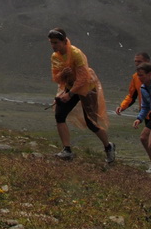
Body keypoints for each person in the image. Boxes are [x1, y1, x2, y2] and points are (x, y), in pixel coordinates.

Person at [47, 28, 115, 162]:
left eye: (56, 43)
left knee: (91, 123)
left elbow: (83, 78)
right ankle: (67, 150)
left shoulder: (76, 53)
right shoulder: (55, 57)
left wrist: (70, 94)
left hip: (87, 89)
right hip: (70, 87)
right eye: (51, 43)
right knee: (59, 115)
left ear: (64, 41)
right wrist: (63, 74)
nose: (53, 46)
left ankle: (108, 147)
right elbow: (56, 78)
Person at [115, 52, 151, 173]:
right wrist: (123, 107)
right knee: (148, 141)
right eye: (135, 62)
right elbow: (132, 95)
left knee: (147, 139)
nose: (137, 64)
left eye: (140, 61)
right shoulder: (137, 79)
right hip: (149, 114)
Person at [132, 62, 151, 171]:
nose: (139, 78)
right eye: (138, 75)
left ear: (150, 74)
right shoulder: (143, 88)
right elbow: (145, 106)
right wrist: (139, 118)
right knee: (144, 138)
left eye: (141, 75)